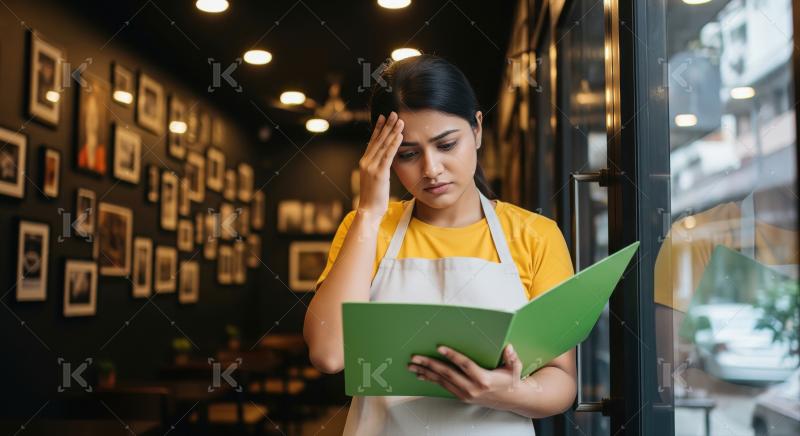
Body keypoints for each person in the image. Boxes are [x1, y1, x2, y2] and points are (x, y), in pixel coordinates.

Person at [304, 54, 577, 435]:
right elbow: (329, 353)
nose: (431, 169)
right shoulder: (366, 229)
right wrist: (368, 211)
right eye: (408, 154)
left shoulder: (536, 235)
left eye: (446, 144)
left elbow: (561, 382)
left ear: (477, 129)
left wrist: (504, 391)